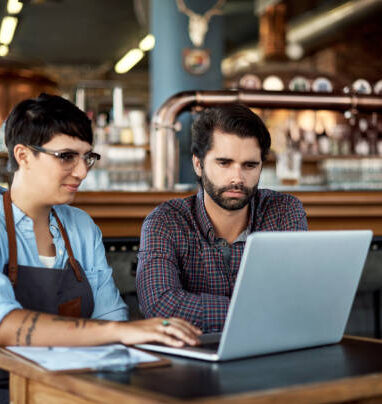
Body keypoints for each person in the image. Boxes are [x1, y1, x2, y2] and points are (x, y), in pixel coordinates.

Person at [0, 94, 201, 348]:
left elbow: (110, 314)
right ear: (24, 156)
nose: (82, 171)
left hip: (77, 377)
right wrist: (119, 331)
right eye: (66, 156)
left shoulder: (82, 226)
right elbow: (4, 326)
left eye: (87, 157)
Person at [136, 104, 308, 333]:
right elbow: (161, 305)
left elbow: (298, 301)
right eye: (224, 163)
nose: (237, 178)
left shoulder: (284, 211)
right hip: (193, 358)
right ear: (198, 164)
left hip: (268, 352)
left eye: (249, 165)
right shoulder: (165, 221)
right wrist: (260, 312)